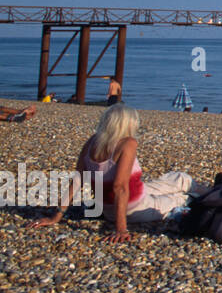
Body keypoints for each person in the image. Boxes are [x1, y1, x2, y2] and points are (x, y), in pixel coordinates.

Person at [28, 103, 202, 241]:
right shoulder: (127, 143)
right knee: (183, 197)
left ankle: (218, 189)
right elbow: (119, 187)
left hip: (115, 204)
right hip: (133, 207)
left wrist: (57, 215)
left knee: (179, 178)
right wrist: (120, 228)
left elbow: (78, 180)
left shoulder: (91, 143)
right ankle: (218, 192)